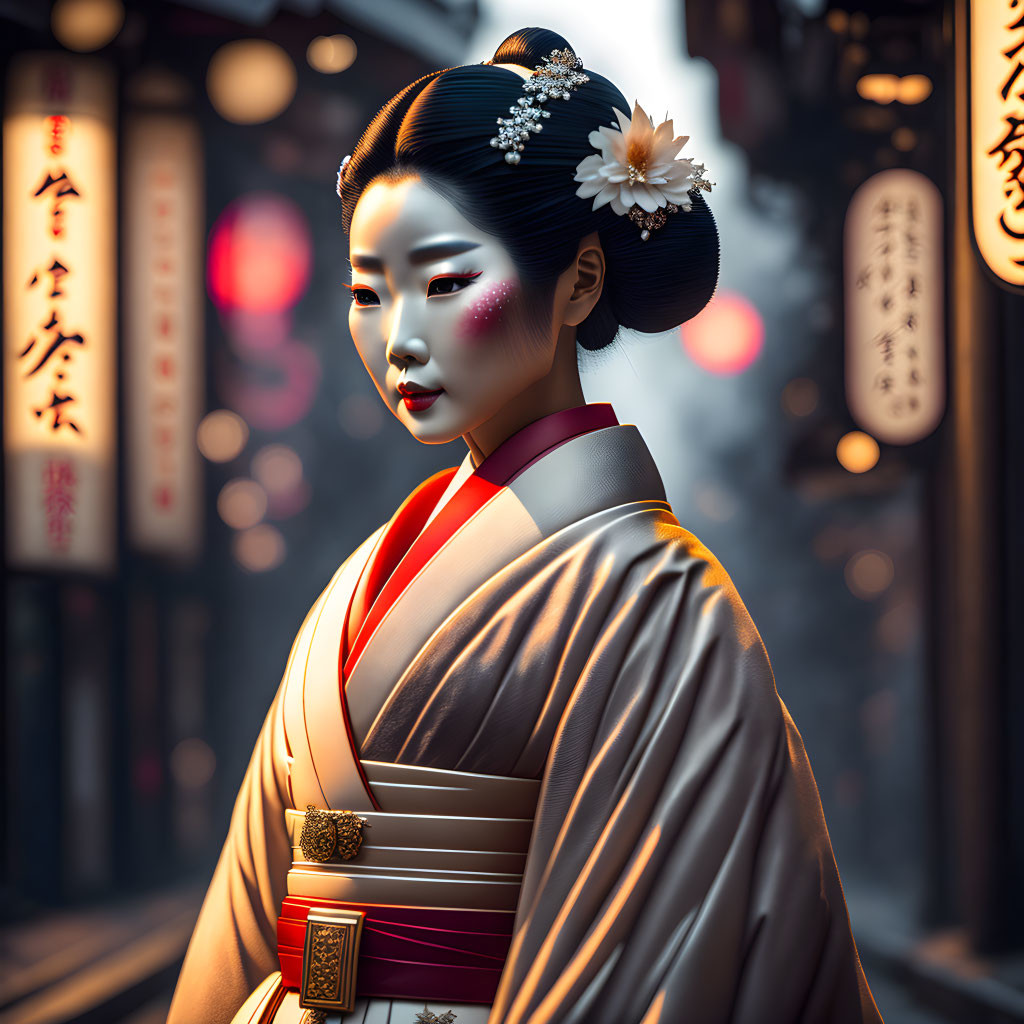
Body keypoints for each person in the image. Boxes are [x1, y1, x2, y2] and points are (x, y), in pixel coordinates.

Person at [168, 26, 883, 1024]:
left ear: (580, 282)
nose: (399, 338)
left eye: (446, 282)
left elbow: (653, 955)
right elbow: (251, 905)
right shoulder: (363, 578)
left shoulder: (655, 596)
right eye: (367, 294)